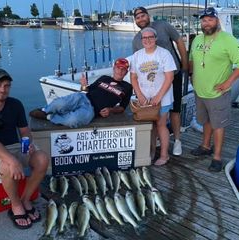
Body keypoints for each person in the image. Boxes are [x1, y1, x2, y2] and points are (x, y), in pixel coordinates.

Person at [0, 68, 50, 229]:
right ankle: (16, 205)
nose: (3, 89)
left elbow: (25, 131)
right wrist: (12, 160)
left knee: (42, 159)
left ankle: (26, 199)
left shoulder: (15, 104)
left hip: (15, 147)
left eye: (7, 86)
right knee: (8, 166)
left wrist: (27, 147)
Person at [188, 7, 239, 172]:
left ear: (217, 21)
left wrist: (228, 82)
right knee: (206, 121)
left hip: (217, 93)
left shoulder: (227, 40)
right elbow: (192, 59)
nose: (206, 23)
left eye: (210, 20)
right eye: (204, 20)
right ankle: (205, 146)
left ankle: (217, 157)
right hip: (200, 91)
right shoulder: (197, 39)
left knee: (218, 125)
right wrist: (191, 75)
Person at [132, 6, 188, 156]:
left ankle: (177, 140)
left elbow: (180, 42)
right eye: (137, 18)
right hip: (152, 82)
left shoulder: (163, 25)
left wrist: (185, 64)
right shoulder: (136, 40)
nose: (141, 19)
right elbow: (136, 68)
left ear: (147, 16)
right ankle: (155, 140)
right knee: (152, 113)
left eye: (143, 15)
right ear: (135, 21)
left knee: (175, 110)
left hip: (172, 75)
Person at [29, 58, 133, 128]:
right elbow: (87, 90)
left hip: (93, 111)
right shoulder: (104, 78)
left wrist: (111, 110)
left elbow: (122, 108)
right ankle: (44, 110)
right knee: (59, 104)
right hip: (83, 97)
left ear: (126, 72)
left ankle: (49, 117)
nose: (120, 71)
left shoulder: (127, 87)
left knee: (72, 121)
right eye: (118, 68)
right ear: (114, 68)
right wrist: (84, 85)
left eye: (123, 69)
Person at [130, 27, 176, 166]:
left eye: (151, 37)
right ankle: (150, 152)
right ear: (141, 40)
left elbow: (170, 77)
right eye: (145, 38)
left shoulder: (164, 54)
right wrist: (140, 95)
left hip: (163, 97)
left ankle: (164, 155)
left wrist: (158, 96)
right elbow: (133, 77)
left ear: (155, 38)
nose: (148, 40)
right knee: (150, 126)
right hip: (145, 99)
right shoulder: (137, 55)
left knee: (161, 124)